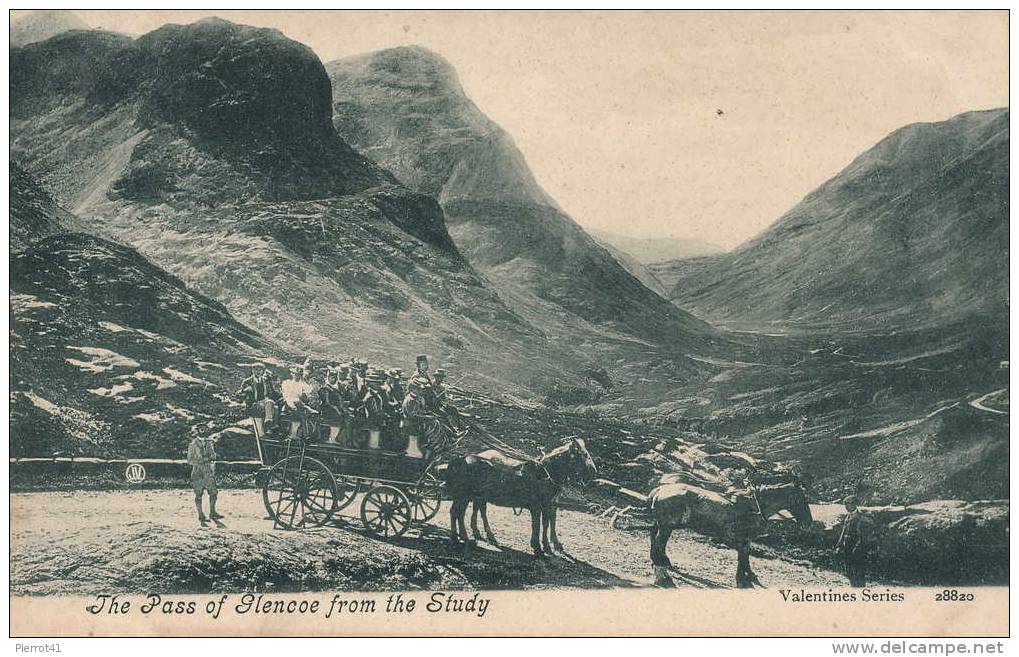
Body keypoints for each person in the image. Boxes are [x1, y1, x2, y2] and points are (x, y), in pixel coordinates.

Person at [187, 423, 221, 523]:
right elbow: (190, 460)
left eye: (204, 429)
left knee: (213, 493)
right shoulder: (193, 444)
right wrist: (202, 461)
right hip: (198, 473)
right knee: (198, 494)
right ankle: (201, 515)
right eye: (200, 429)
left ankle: (212, 512)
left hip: (208, 472)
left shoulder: (209, 443)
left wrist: (210, 460)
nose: (203, 431)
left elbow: (213, 456)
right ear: (196, 432)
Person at [835, 496, 871, 587]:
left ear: (854, 504)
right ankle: (853, 587)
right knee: (849, 569)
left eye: (848, 504)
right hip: (847, 546)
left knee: (858, 570)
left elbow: (862, 536)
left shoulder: (860, 517)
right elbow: (843, 532)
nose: (846, 506)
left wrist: (857, 548)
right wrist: (839, 545)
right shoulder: (848, 516)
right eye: (845, 504)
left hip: (857, 548)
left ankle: (860, 589)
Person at [236, 362, 278, 440]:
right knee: (270, 406)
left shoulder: (266, 380)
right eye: (256, 370)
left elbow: (272, 392)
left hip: (264, 401)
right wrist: (246, 390)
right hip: (253, 403)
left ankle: (268, 422)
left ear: (263, 371)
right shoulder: (247, 381)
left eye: (260, 370)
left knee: (272, 404)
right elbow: (239, 394)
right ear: (252, 371)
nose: (258, 372)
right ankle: (266, 429)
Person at [281, 363, 317, 439]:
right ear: (292, 374)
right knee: (299, 405)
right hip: (288, 404)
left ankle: (306, 434)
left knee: (303, 413)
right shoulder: (287, 383)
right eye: (295, 374)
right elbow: (286, 397)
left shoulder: (302, 384)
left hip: (299, 406)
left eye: (299, 375)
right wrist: (293, 406)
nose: (297, 376)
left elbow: (310, 391)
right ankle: (306, 433)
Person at [318, 368, 346, 443]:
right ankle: (332, 439)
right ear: (328, 378)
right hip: (327, 410)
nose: (333, 379)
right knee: (338, 416)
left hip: (336, 408)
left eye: (335, 377)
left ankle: (340, 438)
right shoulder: (325, 389)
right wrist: (338, 410)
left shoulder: (338, 388)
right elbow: (328, 403)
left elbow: (340, 400)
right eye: (331, 377)